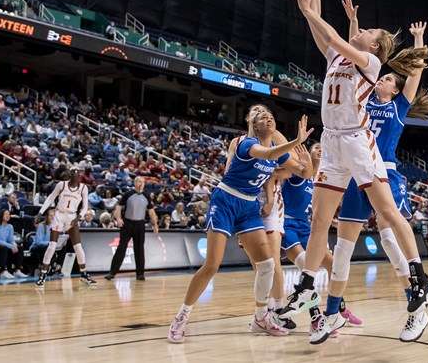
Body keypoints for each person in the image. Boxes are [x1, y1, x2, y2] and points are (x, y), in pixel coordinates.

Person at [283, 0, 428, 345]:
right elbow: (324, 34)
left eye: (367, 31)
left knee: (387, 219)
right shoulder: (339, 59)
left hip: (359, 144)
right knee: (321, 222)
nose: (361, 30)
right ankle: (308, 289)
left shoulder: (372, 64)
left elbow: (331, 33)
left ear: (375, 47)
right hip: (333, 144)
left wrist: (312, 12)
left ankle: (419, 279)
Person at [330, 10, 428, 338]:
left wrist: (418, 41)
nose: (384, 79)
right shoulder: (362, 97)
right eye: (384, 76)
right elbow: (347, 54)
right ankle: (332, 312)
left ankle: (416, 305)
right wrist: (351, 24)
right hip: (355, 168)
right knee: (344, 245)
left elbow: (414, 75)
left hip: (384, 170)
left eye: (389, 79)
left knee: (388, 235)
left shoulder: (399, 106)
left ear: (395, 89)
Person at [167, 111, 312, 344]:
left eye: (271, 116)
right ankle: (181, 317)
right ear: (254, 125)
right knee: (212, 265)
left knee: (266, 264)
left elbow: (305, 173)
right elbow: (267, 153)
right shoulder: (248, 144)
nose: (268, 118)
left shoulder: (278, 150)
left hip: (248, 206)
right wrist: (295, 142)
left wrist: (308, 164)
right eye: (262, 116)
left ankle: (260, 317)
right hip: (225, 200)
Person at [273, 142, 362, 328]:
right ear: (308, 153)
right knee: (306, 266)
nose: (320, 149)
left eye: (322, 148)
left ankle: (339, 308)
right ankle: (315, 318)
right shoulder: (299, 173)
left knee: (333, 266)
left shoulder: (323, 180)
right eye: (316, 148)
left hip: (308, 227)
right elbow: (279, 170)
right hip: (287, 224)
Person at [34, 169, 96, 288]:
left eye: (77, 176)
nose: (75, 178)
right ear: (70, 176)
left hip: (72, 216)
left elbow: (85, 206)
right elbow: (50, 198)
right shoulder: (61, 185)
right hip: (59, 215)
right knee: (52, 245)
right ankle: (43, 275)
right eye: (73, 175)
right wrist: (40, 212)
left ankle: (84, 274)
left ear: (79, 177)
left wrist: (79, 217)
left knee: (78, 246)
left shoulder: (83, 188)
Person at [106, 177, 160, 281]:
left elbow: (151, 212)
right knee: (121, 248)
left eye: (142, 182)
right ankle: (112, 273)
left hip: (140, 224)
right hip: (127, 224)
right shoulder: (128, 194)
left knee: (139, 249)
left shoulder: (146, 196)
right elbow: (118, 207)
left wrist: (155, 225)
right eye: (138, 182)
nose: (140, 184)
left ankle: (140, 274)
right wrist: (118, 218)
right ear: (135, 183)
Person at [0, 210, 26, 279]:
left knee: (20, 248)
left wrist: (14, 245)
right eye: (6, 214)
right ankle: (3, 271)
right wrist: (10, 246)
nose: (8, 216)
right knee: (4, 248)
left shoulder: (10, 226)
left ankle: (17, 270)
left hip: (6, 245)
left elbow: (11, 240)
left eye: (9, 214)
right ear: (1, 215)